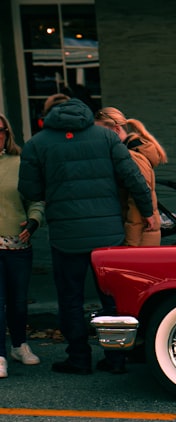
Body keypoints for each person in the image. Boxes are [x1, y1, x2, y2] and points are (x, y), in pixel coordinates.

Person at [17, 95, 156, 375]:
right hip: (107, 234)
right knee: (110, 298)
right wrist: (147, 211)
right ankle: (116, 358)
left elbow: (30, 191)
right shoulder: (105, 138)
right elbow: (131, 176)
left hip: (66, 235)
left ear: (50, 115)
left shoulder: (36, 144)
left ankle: (78, 358)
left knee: (70, 298)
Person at [0, 112, 45, 378]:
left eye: (2, 130)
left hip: (18, 245)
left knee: (18, 302)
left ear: (8, 134)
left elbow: (35, 199)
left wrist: (33, 221)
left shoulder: (20, 162)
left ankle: (19, 345)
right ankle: (0, 355)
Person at [95, 107, 167, 247]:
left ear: (115, 129)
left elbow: (137, 203)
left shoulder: (132, 157)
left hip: (140, 237)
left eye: (101, 133)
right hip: (140, 234)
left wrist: (130, 244)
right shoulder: (129, 152)